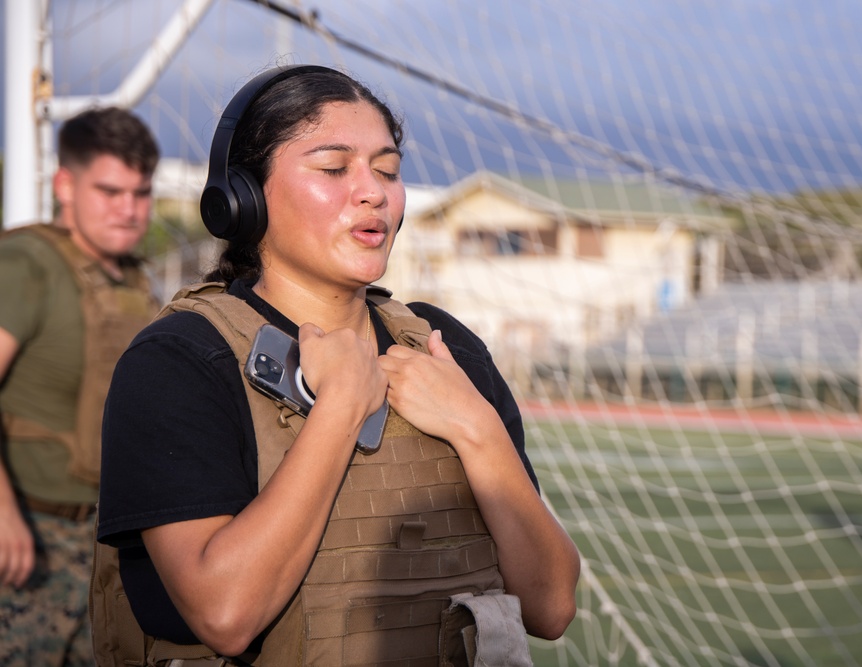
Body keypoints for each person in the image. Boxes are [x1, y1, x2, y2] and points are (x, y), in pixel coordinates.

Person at [95, 65, 579, 665]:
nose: (372, 191)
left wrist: (475, 428)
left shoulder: (443, 345)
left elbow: (551, 605)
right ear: (243, 198)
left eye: (388, 170)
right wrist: (343, 406)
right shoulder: (181, 360)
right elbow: (224, 614)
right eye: (333, 168)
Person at [0, 107, 161, 666]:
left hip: (105, 546)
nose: (128, 209)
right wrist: (3, 514)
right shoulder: (27, 264)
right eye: (110, 190)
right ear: (64, 185)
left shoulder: (138, 281)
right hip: (27, 537)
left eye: (140, 193)